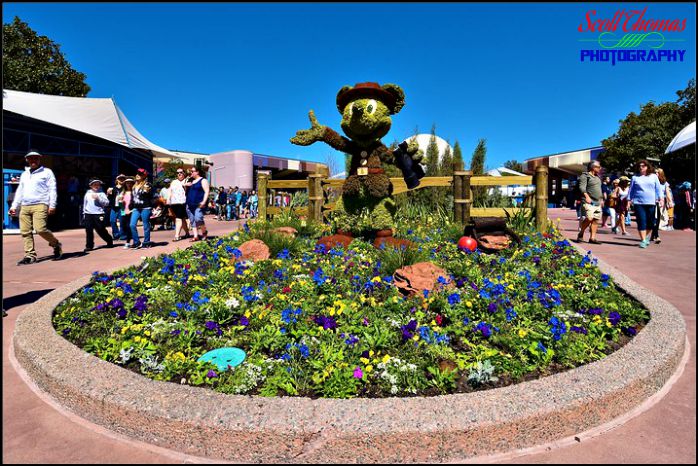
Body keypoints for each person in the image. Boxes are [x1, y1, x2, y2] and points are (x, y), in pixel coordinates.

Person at [9, 151, 63, 265]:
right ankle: (30, 255)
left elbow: (52, 189)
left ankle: (56, 244)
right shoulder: (24, 174)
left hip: (40, 204)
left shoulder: (47, 172)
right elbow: (20, 191)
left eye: (35, 158)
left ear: (39, 159)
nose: (33, 160)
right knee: (25, 232)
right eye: (31, 158)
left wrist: (52, 205)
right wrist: (14, 206)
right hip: (25, 205)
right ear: (27, 160)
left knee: (40, 229)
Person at [628, 159, 664, 249]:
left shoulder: (653, 176)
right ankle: (643, 240)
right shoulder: (635, 177)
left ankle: (646, 236)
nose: (641, 168)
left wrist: (661, 198)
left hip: (651, 202)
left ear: (647, 167)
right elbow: (631, 190)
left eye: (643, 166)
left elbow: (658, 188)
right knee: (641, 221)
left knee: (651, 223)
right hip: (638, 203)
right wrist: (629, 200)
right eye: (639, 166)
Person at [575, 160, 603, 244]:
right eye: (598, 167)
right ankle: (581, 233)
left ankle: (592, 238)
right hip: (588, 201)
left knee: (595, 220)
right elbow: (582, 187)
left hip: (597, 202)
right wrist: (587, 197)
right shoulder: (585, 176)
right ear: (593, 167)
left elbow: (599, 190)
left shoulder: (597, 177)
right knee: (589, 218)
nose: (600, 168)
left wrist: (601, 200)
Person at [82, 179, 114, 252]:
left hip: (99, 214)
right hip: (88, 214)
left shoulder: (101, 193)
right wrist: (84, 214)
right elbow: (85, 204)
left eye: (98, 185)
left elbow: (106, 203)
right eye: (94, 185)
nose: (96, 186)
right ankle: (89, 246)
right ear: (91, 185)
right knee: (88, 230)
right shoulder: (87, 193)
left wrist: (98, 198)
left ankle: (109, 240)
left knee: (100, 229)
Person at [128, 168, 154, 249]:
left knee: (146, 225)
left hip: (145, 207)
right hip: (136, 208)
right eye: (137, 173)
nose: (137, 175)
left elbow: (149, 194)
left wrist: (147, 189)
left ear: (144, 176)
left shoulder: (147, 184)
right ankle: (136, 242)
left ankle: (146, 242)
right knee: (132, 225)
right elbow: (133, 197)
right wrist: (130, 206)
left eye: (140, 174)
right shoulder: (134, 186)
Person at [184, 167, 210, 241]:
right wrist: (186, 186)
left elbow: (207, 191)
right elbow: (187, 193)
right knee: (192, 220)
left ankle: (204, 232)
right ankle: (196, 236)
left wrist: (204, 201)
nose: (191, 173)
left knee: (198, 218)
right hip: (189, 204)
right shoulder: (191, 181)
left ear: (197, 172)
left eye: (192, 171)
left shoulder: (203, 180)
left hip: (198, 204)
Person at [168, 168, 190, 241]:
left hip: (182, 203)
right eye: (177, 173)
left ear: (184, 173)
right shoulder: (174, 182)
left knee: (178, 218)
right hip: (174, 203)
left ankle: (177, 236)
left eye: (181, 172)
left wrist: (186, 184)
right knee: (182, 219)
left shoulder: (187, 181)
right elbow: (170, 191)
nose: (179, 174)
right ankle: (187, 233)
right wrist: (168, 201)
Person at [652, 168, 674, 241]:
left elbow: (667, 193)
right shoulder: (652, 181)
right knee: (653, 218)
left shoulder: (664, 183)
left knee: (658, 218)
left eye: (657, 173)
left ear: (660, 174)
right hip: (651, 201)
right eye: (654, 172)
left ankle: (654, 234)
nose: (655, 174)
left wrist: (670, 201)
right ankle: (656, 235)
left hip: (660, 202)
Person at [106, 174, 127, 240]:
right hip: (114, 207)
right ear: (117, 180)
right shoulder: (112, 188)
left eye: (123, 179)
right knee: (112, 220)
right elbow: (109, 198)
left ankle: (123, 235)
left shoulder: (126, 188)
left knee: (122, 221)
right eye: (120, 178)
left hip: (122, 206)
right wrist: (108, 193)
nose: (121, 180)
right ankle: (116, 235)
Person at [118, 178, 134, 248]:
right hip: (124, 212)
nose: (129, 184)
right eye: (127, 183)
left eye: (130, 183)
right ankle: (132, 239)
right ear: (125, 184)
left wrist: (132, 211)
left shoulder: (134, 192)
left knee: (129, 227)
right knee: (124, 227)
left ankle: (128, 242)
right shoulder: (123, 192)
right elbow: (120, 203)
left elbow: (136, 203)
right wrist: (122, 211)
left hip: (132, 212)